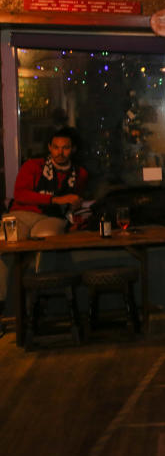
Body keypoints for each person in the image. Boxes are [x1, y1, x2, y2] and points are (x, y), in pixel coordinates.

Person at [0, 128, 88, 321]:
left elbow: (75, 202)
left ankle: (39, 300)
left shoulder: (79, 173)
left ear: (72, 149)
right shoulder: (34, 166)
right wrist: (56, 200)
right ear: (49, 148)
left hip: (52, 218)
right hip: (22, 213)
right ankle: (1, 303)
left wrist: (74, 209)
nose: (60, 152)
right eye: (56, 147)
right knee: (4, 241)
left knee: (47, 240)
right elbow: (20, 194)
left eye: (65, 148)